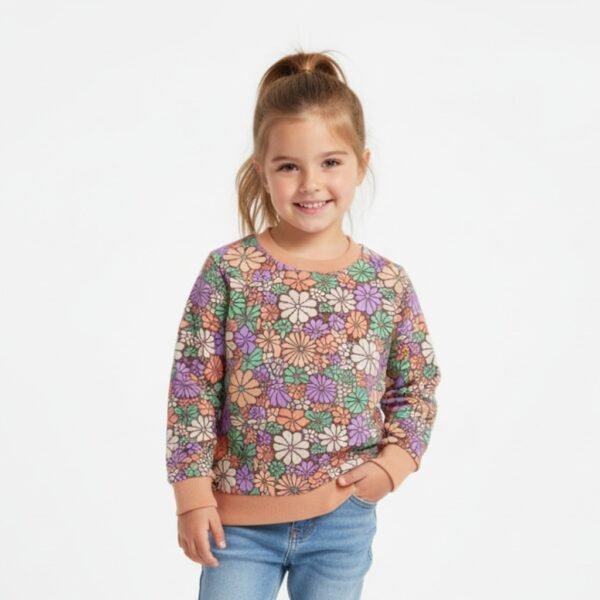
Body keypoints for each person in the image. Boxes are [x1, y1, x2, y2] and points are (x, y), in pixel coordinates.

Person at [165, 49, 442, 600]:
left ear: (361, 164)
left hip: (342, 519)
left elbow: (417, 385)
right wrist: (192, 495)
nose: (311, 183)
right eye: (289, 166)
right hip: (237, 523)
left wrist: (393, 466)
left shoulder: (386, 282)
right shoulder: (230, 271)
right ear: (261, 172)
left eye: (330, 162)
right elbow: (193, 388)